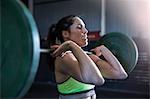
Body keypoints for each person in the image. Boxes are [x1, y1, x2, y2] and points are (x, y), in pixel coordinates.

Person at [47, 15, 128, 99]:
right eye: (79, 27)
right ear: (65, 33)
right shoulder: (64, 58)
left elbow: (120, 74)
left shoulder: (88, 57)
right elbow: (97, 80)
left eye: (84, 28)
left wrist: (103, 49)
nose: (85, 31)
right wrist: (71, 45)